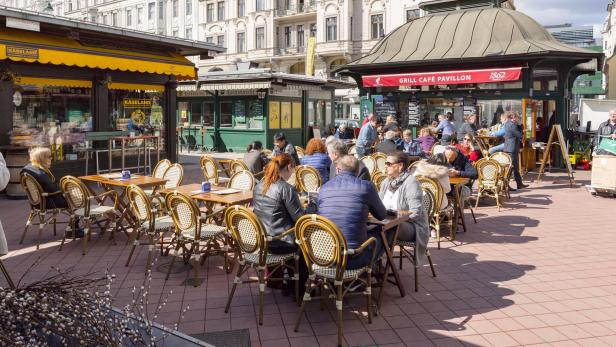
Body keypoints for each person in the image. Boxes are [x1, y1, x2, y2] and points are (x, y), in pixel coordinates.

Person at [253, 153, 311, 292]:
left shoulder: (260, 185)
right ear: (290, 167)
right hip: (281, 241)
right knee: (305, 243)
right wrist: (311, 207)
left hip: (262, 240)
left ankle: (277, 280)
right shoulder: (286, 188)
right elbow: (300, 219)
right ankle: (297, 288)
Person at [317, 155, 387, 269]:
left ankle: (367, 274)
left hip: (325, 256)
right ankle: (373, 273)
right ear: (358, 171)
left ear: (338, 170)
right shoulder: (366, 187)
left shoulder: (324, 188)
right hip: (353, 259)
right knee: (383, 233)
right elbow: (382, 215)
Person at [21, 147, 83, 237]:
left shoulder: (29, 168)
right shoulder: (41, 173)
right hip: (50, 202)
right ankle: (72, 229)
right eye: (49, 156)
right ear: (42, 158)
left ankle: (73, 227)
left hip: (37, 202)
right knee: (78, 201)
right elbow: (53, 189)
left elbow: (51, 185)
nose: (51, 158)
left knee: (74, 197)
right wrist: (67, 191)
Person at [378, 152, 430, 256]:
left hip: (414, 227)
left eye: (389, 163)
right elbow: (378, 206)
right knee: (369, 228)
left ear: (400, 165)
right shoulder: (386, 182)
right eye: (385, 163)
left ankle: (380, 265)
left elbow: (415, 213)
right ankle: (374, 265)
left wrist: (393, 216)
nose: (386, 166)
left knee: (383, 230)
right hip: (387, 223)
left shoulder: (411, 182)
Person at [502, 112, 528, 190]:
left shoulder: (507, 123)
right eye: (518, 117)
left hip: (510, 148)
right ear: (514, 117)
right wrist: (520, 125)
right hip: (511, 149)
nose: (519, 119)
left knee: (515, 167)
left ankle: (519, 183)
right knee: (511, 168)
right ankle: (505, 185)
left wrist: (519, 125)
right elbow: (520, 135)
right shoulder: (512, 125)